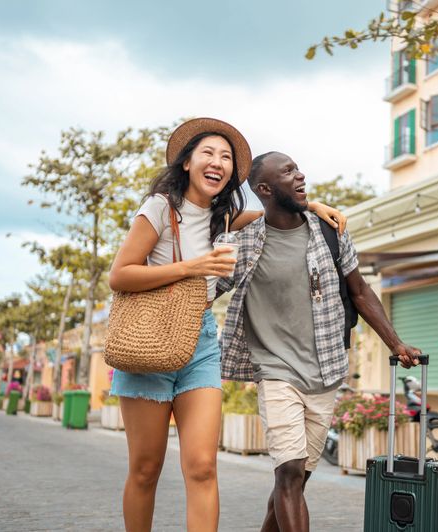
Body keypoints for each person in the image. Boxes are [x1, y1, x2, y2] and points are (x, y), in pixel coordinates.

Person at [108, 120, 346, 532]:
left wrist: (311, 207)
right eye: (208, 154)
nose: (217, 162)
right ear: (187, 163)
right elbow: (120, 275)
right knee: (146, 469)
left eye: (225, 158)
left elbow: (270, 212)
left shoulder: (227, 215)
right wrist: (194, 267)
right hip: (149, 338)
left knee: (202, 466)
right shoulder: (160, 208)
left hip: (199, 342)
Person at [218, 151, 420, 532]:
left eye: (297, 168)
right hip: (275, 371)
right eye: (289, 171)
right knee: (290, 473)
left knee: (294, 481)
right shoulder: (241, 244)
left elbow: (359, 291)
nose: (300, 175)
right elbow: (205, 286)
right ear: (264, 189)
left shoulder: (330, 230)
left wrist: (396, 343)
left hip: (325, 370)